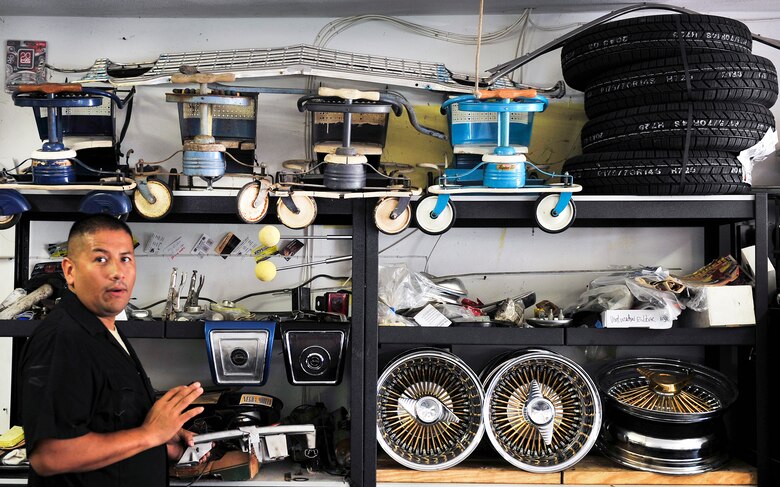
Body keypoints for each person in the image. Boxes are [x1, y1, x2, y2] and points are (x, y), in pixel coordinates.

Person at [20, 214, 204, 486]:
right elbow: (50, 456)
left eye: (125, 258)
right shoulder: (63, 339)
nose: (117, 272)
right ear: (70, 271)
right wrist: (149, 434)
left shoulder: (105, 330)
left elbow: (110, 423)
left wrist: (163, 440)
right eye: (101, 259)